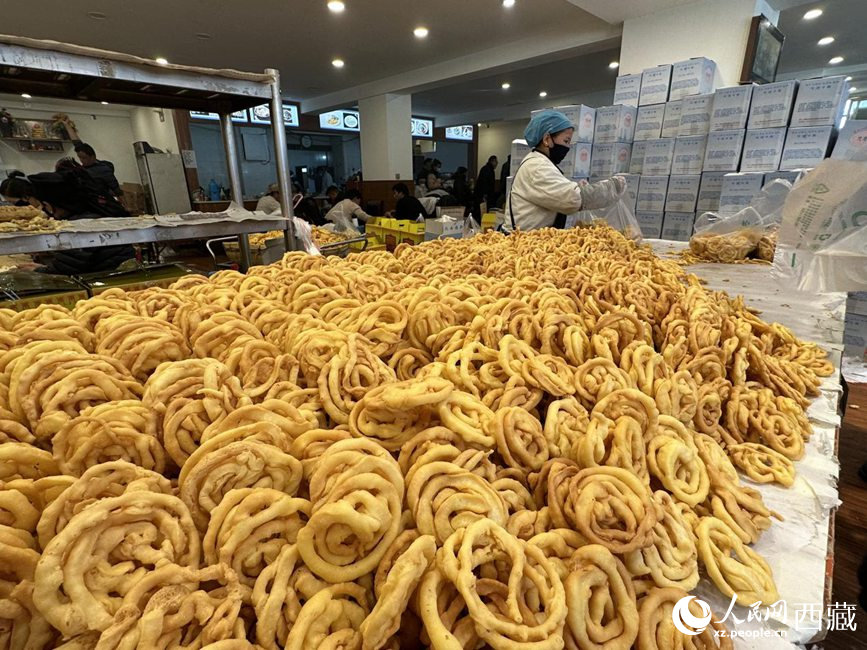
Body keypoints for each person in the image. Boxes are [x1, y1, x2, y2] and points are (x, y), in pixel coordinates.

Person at [506, 109, 624, 231]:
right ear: (547, 139)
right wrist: (611, 188)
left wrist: (577, 187)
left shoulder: (539, 162)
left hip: (534, 236)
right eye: (566, 141)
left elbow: (557, 193)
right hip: (522, 240)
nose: (567, 147)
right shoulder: (538, 166)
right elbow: (571, 199)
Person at [1, 169, 134, 274]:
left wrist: (38, 270)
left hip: (111, 278)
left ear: (49, 205)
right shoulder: (87, 214)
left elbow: (66, 269)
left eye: (41, 205)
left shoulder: (79, 225)